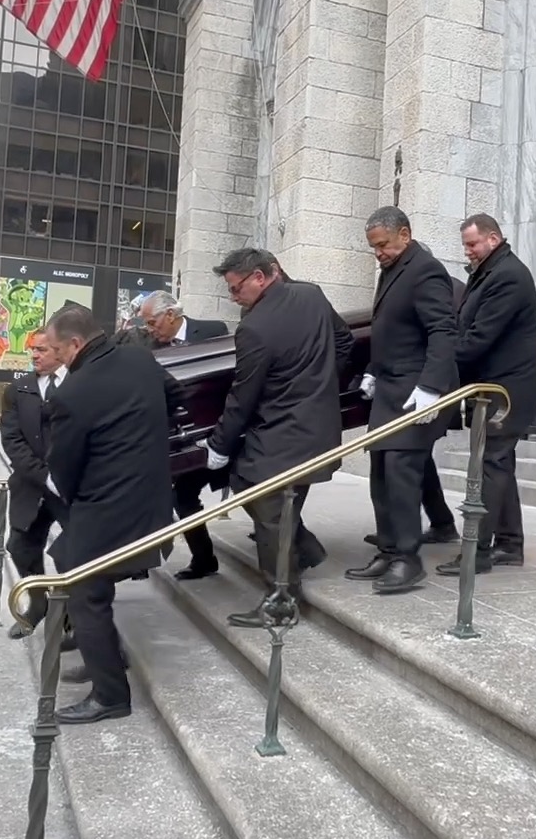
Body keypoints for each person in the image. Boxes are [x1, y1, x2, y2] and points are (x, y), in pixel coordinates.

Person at [203, 248, 353, 625]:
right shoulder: (311, 294)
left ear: (259, 277)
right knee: (244, 483)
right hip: (316, 426)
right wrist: (323, 384)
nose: (233, 297)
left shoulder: (254, 328)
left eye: (236, 288)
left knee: (270, 512)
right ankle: (305, 547)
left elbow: (243, 395)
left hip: (282, 433)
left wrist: (219, 444)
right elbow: (344, 341)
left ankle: (281, 602)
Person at [42, 305, 174, 723]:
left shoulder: (72, 393)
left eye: (57, 350)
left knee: (84, 591)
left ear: (75, 344)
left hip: (105, 504)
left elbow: (63, 467)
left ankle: (110, 696)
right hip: (149, 495)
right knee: (66, 559)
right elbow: (176, 395)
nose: (56, 357)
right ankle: (106, 654)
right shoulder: (140, 359)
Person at [354, 207, 457, 595]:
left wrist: (431, 387)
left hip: (414, 389)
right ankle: (388, 549)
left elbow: (442, 330)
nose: (378, 252)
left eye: (383, 244)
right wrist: (372, 369)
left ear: (404, 234)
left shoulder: (425, 270)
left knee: (402, 474)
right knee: (381, 472)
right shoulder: (392, 269)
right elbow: (390, 330)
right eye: (373, 247)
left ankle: (408, 559)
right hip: (389, 388)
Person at [442, 214, 536, 574]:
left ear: (493, 239)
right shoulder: (489, 272)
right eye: (465, 245)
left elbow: (479, 337)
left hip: (505, 391)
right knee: (499, 464)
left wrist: (439, 366)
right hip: (492, 388)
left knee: (490, 464)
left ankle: (477, 550)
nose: (467, 251)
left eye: (472, 244)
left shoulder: (507, 275)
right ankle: (510, 544)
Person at [133, 291, 230, 580]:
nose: (150, 329)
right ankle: (202, 559)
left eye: (152, 322)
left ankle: (300, 548)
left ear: (171, 315)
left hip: (220, 432)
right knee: (180, 497)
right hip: (177, 437)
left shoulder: (214, 331)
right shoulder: (150, 348)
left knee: (255, 492)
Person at [0, 331, 64, 640]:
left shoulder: (77, 384)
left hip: (70, 486)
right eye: (33, 350)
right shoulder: (18, 390)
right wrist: (43, 476)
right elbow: (12, 440)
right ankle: (38, 603)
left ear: (60, 350)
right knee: (19, 545)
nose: (35, 355)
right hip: (31, 482)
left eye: (42, 349)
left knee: (75, 552)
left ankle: (74, 616)